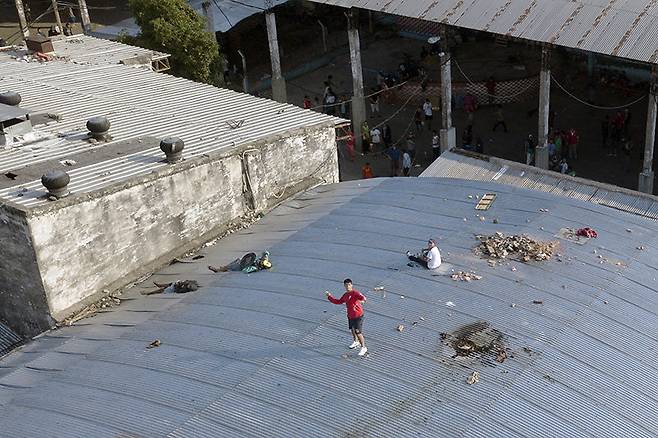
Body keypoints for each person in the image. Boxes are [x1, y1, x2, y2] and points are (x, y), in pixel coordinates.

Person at [326, 279, 368, 356]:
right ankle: (356, 342)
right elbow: (338, 301)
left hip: (358, 315)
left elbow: (363, 298)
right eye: (346, 285)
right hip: (350, 315)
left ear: (351, 285)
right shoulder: (345, 295)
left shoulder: (355, 293)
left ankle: (363, 347)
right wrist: (329, 297)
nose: (347, 286)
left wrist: (362, 301)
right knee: (352, 329)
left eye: (349, 285)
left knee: (358, 332)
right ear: (344, 286)